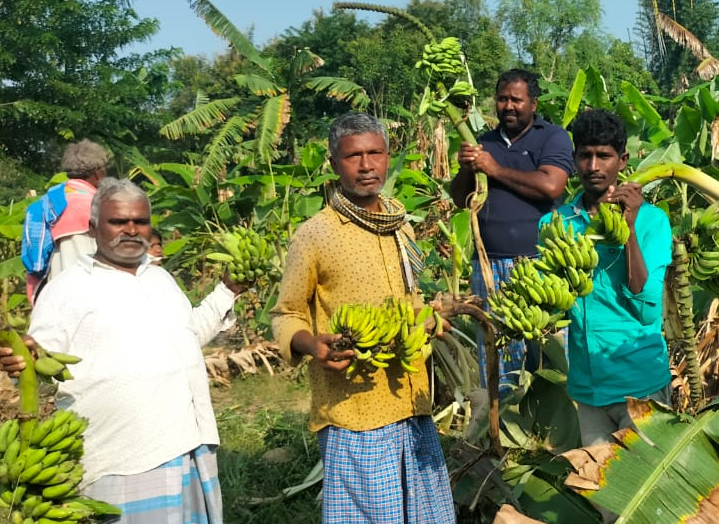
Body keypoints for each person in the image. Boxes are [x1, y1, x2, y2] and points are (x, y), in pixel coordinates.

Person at [0, 178, 244, 523]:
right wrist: (22, 362)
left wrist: (228, 291)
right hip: (122, 458)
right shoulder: (67, 289)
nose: (131, 230)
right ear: (94, 227)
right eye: (118, 222)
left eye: (140, 222)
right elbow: (40, 365)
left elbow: (188, 335)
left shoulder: (160, 279)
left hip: (188, 442)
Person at [271, 112, 455, 523]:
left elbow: (411, 296)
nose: (367, 165)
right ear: (335, 164)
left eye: (376, 153)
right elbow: (286, 314)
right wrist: (312, 344)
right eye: (354, 156)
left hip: (412, 398)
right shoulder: (315, 234)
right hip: (355, 409)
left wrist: (428, 320)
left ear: (389, 157)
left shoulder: (400, 224)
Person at [539, 109, 673, 446]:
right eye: (585, 155)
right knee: (600, 493)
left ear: (622, 160)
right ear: (574, 159)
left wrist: (627, 228)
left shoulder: (652, 222)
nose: (594, 166)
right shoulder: (556, 226)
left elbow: (647, 307)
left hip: (639, 384)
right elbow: (554, 300)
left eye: (604, 155)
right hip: (587, 386)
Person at [451, 68, 575, 395]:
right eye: (502, 99)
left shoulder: (552, 137)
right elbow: (459, 198)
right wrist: (469, 167)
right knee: (495, 347)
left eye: (516, 100)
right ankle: (503, 425)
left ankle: (548, 422)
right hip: (488, 265)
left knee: (543, 345)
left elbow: (551, 185)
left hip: (537, 262)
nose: (508, 106)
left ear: (533, 103)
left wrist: (494, 169)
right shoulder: (484, 142)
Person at [22, 139, 110, 304]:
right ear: (97, 172)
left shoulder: (49, 200)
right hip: (85, 290)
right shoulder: (93, 203)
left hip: (53, 288)